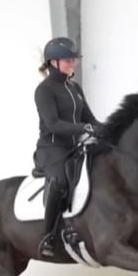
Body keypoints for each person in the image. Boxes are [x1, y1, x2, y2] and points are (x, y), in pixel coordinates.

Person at [33, 36, 104, 258]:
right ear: (53, 62)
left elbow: (90, 119)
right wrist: (84, 128)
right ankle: (48, 236)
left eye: (74, 60)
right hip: (52, 148)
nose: (72, 63)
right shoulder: (44, 90)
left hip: (76, 147)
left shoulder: (75, 88)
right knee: (61, 180)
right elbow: (53, 124)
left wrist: (111, 130)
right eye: (68, 60)